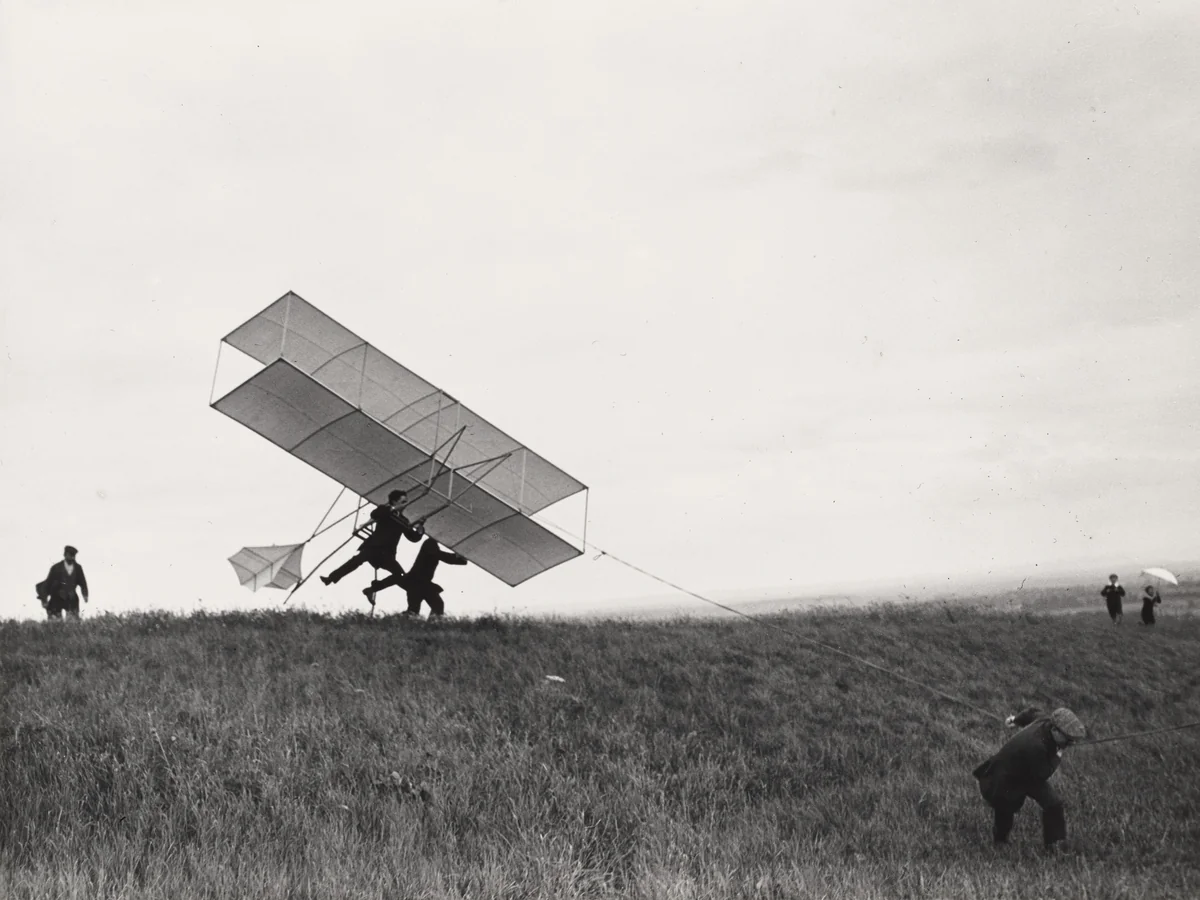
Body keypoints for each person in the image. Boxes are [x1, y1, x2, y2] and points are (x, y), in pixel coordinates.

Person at [972, 706, 1086, 849]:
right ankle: (1000, 841)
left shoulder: (1046, 720)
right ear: (1055, 730)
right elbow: (1043, 773)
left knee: (1053, 803)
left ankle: (1054, 844)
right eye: (1068, 740)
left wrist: (1015, 720)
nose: (1070, 743)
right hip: (1006, 777)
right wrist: (1058, 754)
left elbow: (1031, 712)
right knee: (1005, 808)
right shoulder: (1035, 746)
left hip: (1028, 773)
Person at [320, 490, 422, 606]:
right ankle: (331, 578)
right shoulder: (385, 510)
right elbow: (375, 514)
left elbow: (412, 538)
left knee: (400, 575)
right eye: (403, 502)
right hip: (374, 547)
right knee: (356, 561)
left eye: (406, 502)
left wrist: (420, 529)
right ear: (394, 501)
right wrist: (392, 509)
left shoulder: (404, 520)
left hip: (387, 553)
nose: (405, 504)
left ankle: (372, 589)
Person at [367, 534, 467, 619]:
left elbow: (442, 556)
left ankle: (431, 627)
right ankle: (392, 620)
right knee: (415, 611)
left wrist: (460, 559)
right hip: (416, 583)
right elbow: (441, 556)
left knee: (435, 606)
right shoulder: (430, 544)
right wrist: (458, 558)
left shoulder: (433, 545)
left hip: (422, 584)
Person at [36, 545, 90, 621]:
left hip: (71, 598)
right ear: (65, 555)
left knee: (73, 621)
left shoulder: (78, 568)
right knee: (55, 621)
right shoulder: (56, 568)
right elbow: (48, 583)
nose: (72, 557)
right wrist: (44, 599)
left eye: (73, 555)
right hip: (56, 597)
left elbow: (83, 582)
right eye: (70, 555)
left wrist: (85, 595)